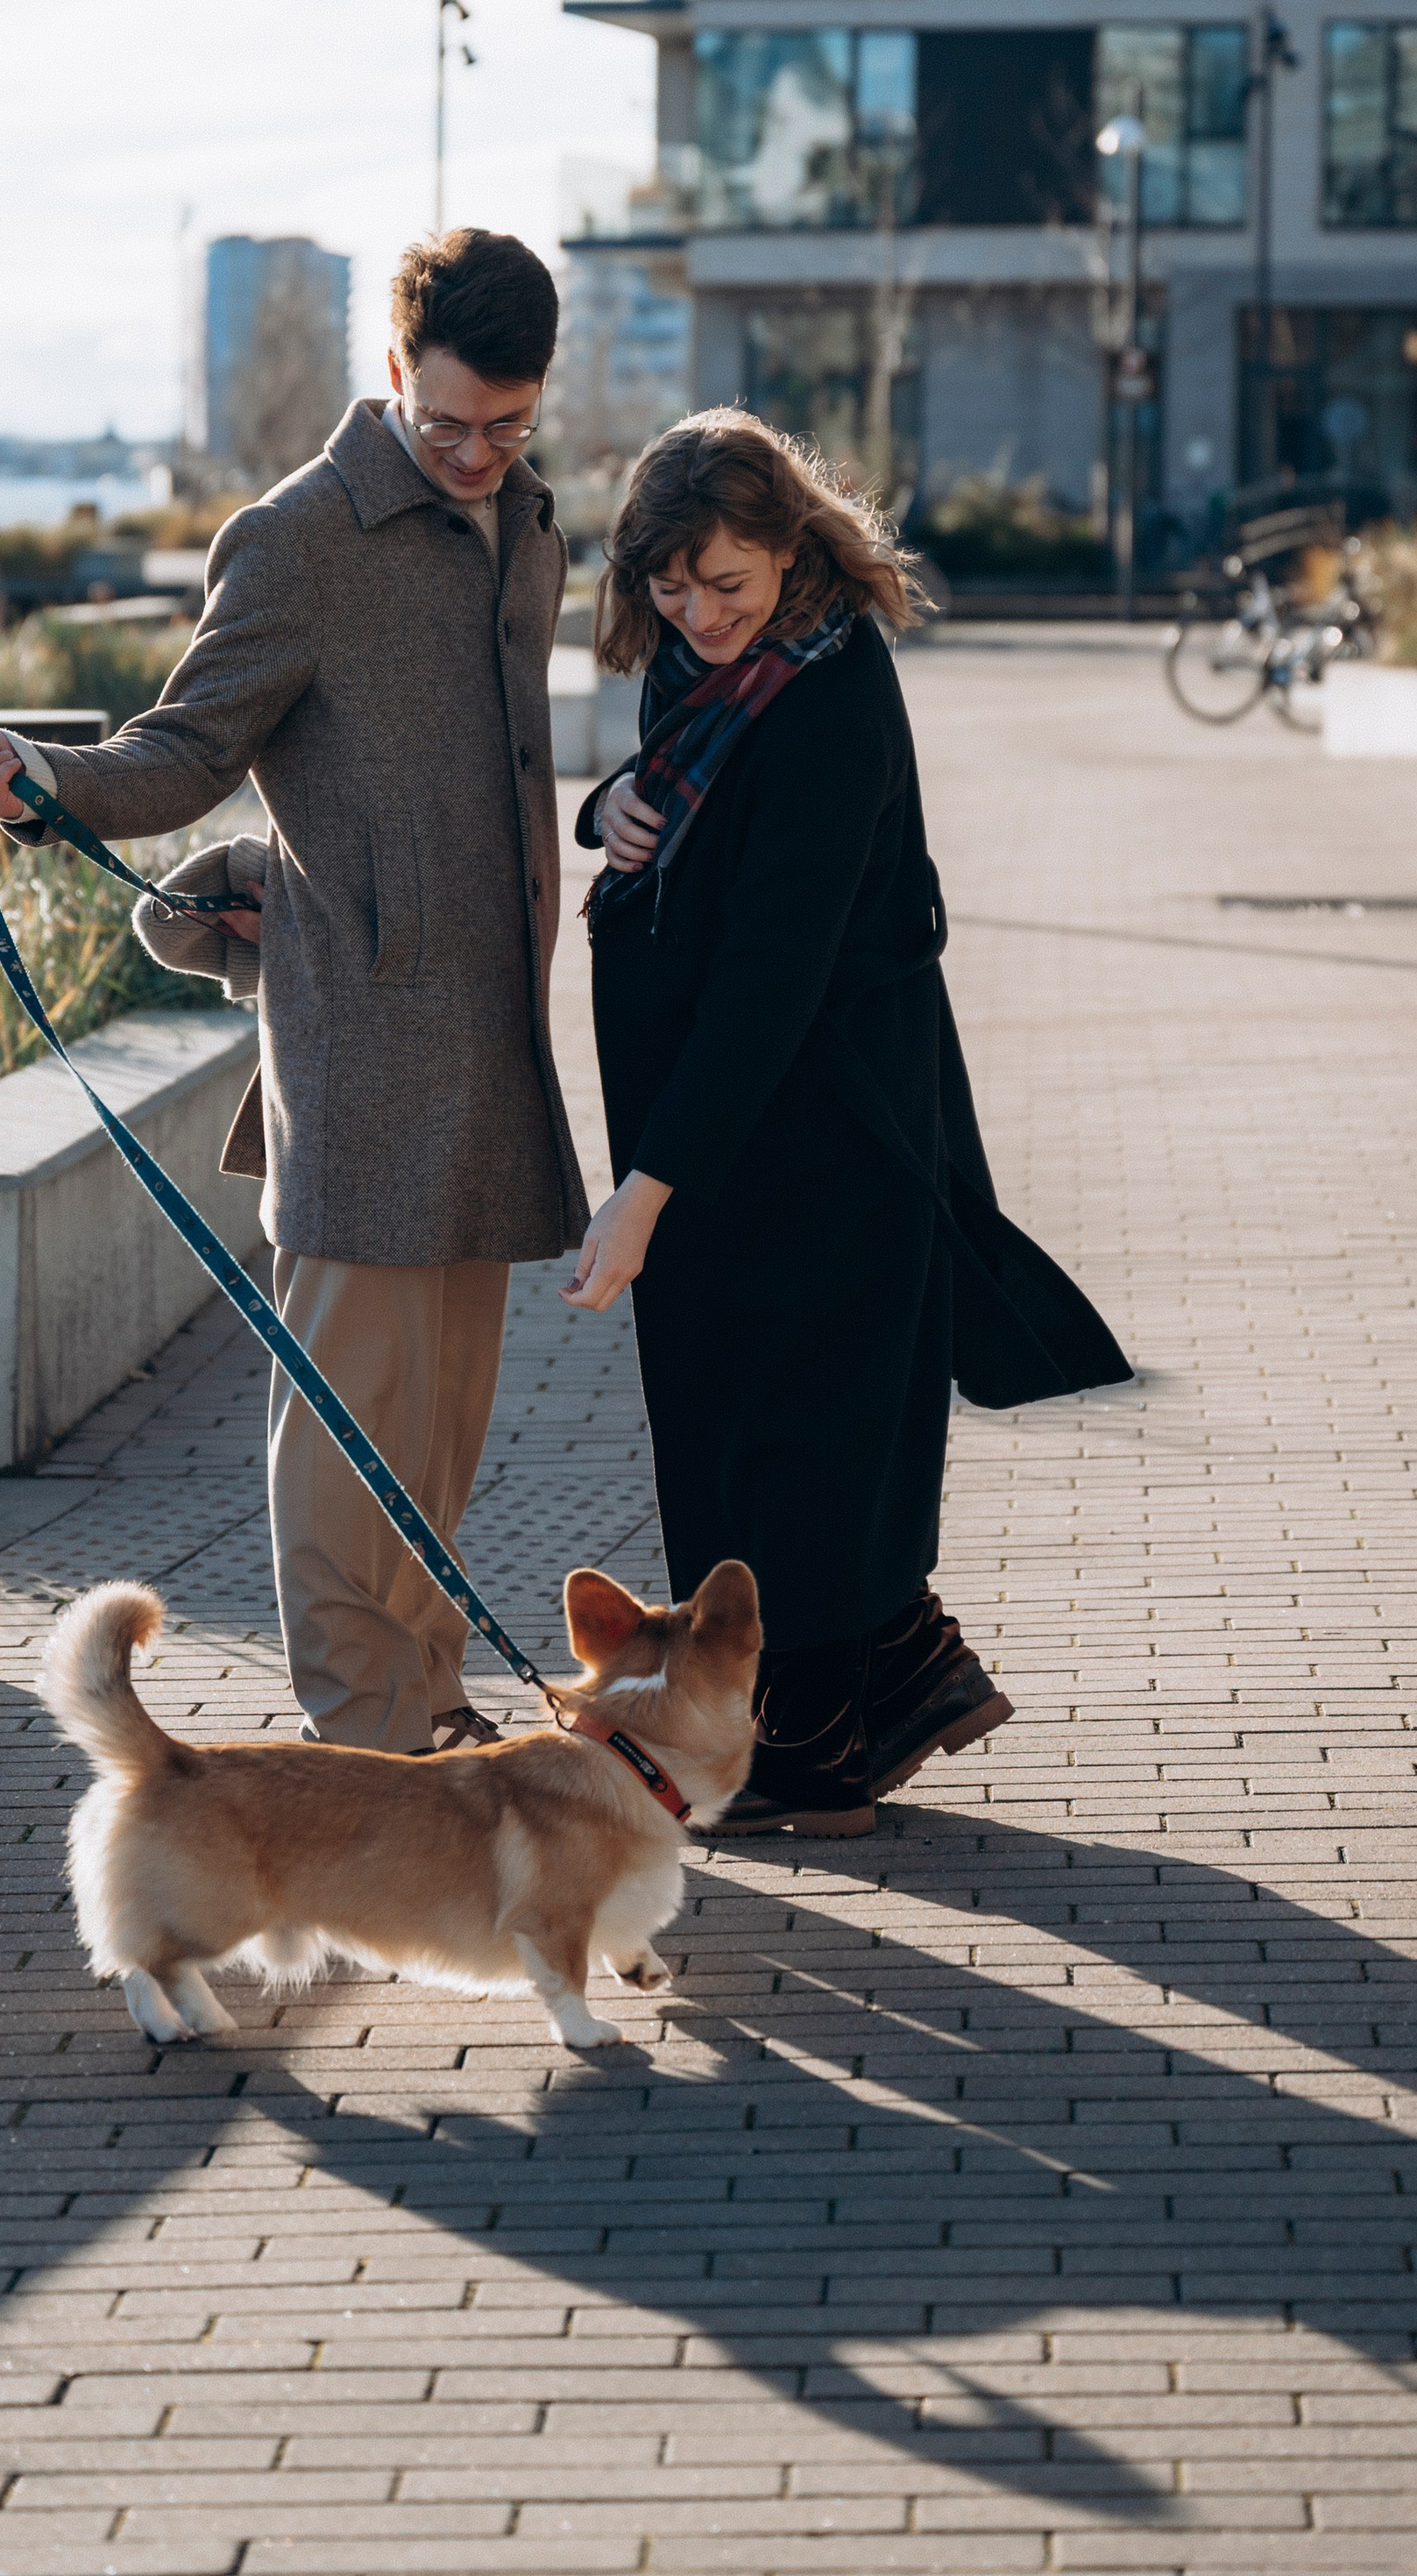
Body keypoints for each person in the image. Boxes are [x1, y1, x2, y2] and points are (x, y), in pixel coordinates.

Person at [0, 227, 588, 1758]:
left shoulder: (531, 526)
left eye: (511, 424)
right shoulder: (298, 539)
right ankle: (363, 1752)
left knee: (438, 1434)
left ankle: (427, 1712)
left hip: (495, 1041)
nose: (479, 452)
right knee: (350, 1433)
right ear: (390, 376)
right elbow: (184, 748)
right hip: (358, 1051)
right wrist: (44, 779)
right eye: (449, 424)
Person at [561, 411, 1130, 1836]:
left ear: (796, 550)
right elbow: (680, 810)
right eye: (669, 590)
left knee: (785, 1430)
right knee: (764, 1419)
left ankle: (812, 1749)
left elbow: (773, 973)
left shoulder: (829, 694)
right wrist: (615, 803)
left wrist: (645, 1190)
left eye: (725, 589)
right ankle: (911, 1675)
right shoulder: (712, 671)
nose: (694, 618)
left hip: (813, 1128)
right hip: (737, 1128)